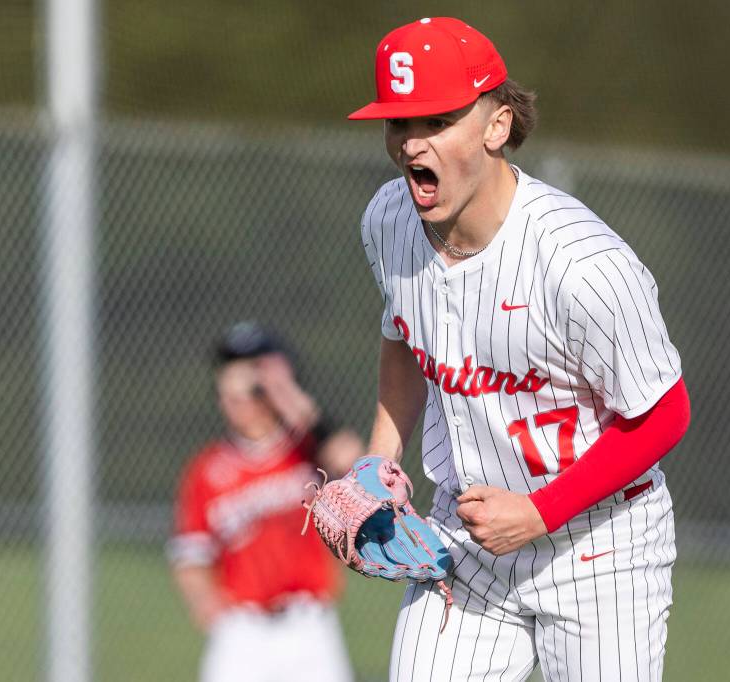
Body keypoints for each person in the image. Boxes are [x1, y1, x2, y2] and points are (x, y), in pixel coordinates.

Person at [348, 17, 692, 682]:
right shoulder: (389, 221)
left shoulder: (580, 263)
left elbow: (665, 413)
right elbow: (404, 337)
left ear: (497, 125)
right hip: (468, 545)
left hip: (599, 549)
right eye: (398, 124)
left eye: (437, 120)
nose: (412, 142)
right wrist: (379, 458)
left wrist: (538, 513)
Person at [167, 321, 364, 682]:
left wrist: (298, 405)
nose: (242, 391)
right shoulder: (207, 469)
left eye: (255, 380)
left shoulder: (307, 447)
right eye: (231, 378)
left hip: (309, 626)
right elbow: (190, 553)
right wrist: (208, 608)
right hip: (242, 630)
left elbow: (356, 463)